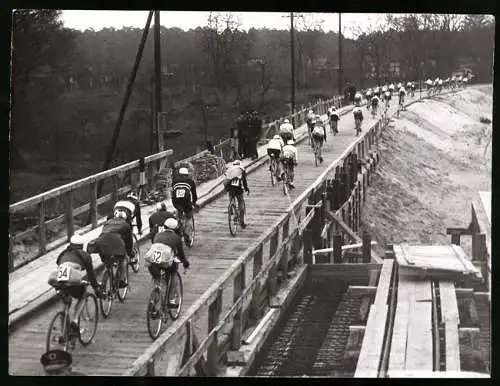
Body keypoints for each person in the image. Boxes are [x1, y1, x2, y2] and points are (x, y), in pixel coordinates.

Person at [49, 235, 102, 340]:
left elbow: (60, 265)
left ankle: (63, 332)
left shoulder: (62, 254)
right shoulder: (85, 255)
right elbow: (91, 275)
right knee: (83, 294)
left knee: (65, 302)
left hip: (57, 280)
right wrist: (96, 287)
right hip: (72, 279)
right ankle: (75, 321)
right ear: (82, 246)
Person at [146, 218, 190, 313]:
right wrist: (185, 263)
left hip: (152, 262)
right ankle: (171, 299)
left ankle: (154, 298)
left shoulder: (157, 235)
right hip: (166, 262)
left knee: (157, 279)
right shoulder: (177, 238)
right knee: (174, 272)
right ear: (175, 228)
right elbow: (181, 254)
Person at [91, 210, 133, 289]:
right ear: (125, 218)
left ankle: (104, 281)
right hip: (115, 243)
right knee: (123, 259)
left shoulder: (108, 222)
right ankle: (120, 280)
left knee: (107, 264)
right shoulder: (126, 225)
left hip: (101, 243)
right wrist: (130, 253)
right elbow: (129, 242)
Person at [171, 167, 198, 245]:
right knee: (189, 216)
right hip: (186, 201)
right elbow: (194, 194)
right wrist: (193, 202)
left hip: (176, 201)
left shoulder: (174, 182)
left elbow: (172, 193)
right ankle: (186, 232)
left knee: (179, 211)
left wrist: (176, 205)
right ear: (187, 175)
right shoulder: (191, 182)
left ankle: (178, 225)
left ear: (179, 174)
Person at [224, 160, 250, 227]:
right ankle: (242, 223)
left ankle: (231, 210)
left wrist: (226, 189)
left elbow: (226, 179)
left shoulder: (230, 170)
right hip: (238, 189)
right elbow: (244, 181)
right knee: (241, 203)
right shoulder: (241, 170)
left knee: (231, 199)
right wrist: (246, 189)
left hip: (230, 189)